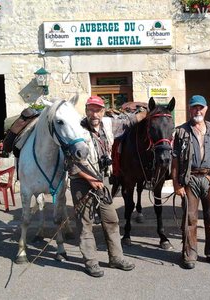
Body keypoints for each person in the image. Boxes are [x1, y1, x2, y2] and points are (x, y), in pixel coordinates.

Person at [66, 95, 145, 277]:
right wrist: (90, 179)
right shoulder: (76, 129)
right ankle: (91, 262)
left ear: (103, 111)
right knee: (85, 224)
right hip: (81, 180)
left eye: (98, 110)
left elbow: (131, 120)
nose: (94, 113)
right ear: (86, 111)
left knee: (111, 219)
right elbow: (70, 163)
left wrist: (147, 112)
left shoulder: (109, 124)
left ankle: (116, 258)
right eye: (91, 110)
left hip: (102, 181)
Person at [171, 95, 210, 269]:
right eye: (194, 108)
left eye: (201, 108)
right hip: (190, 180)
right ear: (190, 110)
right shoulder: (181, 131)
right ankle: (189, 255)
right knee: (190, 219)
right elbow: (174, 161)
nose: (198, 111)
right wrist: (176, 184)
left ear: (206, 109)